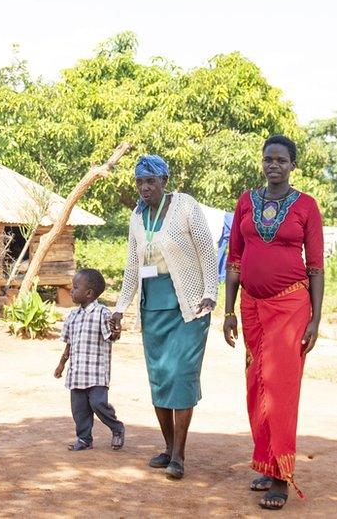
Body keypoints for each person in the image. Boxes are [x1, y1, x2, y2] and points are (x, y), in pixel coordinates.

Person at [222, 135, 324, 510]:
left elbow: (315, 267)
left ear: (293, 165)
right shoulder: (246, 201)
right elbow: (234, 259)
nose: (274, 165)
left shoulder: (306, 207)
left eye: (281, 160)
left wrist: (315, 318)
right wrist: (229, 310)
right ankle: (266, 462)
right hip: (250, 307)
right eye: (268, 159)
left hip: (291, 308)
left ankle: (281, 476)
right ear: (262, 162)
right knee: (257, 386)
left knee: (280, 388)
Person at [111, 154, 219, 480]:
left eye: (150, 181)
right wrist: (119, 307)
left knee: (182, 378)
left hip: (189, 308)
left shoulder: (185, 207)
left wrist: (210, 294)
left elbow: (206, 251)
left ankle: (180, 456)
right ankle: (169, 447)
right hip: (153, 309)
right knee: (159, 379)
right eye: (140, 182)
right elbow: (133, 267)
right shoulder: (136, 217)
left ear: (164, 181)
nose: (144, 188)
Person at [54, 269, 125, 451]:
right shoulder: (72, 316)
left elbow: (111, 336)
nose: (71, 290)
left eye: (76, 287)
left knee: (97, 403)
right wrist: (62, 364)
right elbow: (69, 343)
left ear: (89, 293)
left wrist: (117, 330)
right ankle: (84, 439)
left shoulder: (102, 313)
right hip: (77, 373)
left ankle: (117, 428)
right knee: (79, 409)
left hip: (96, 373)